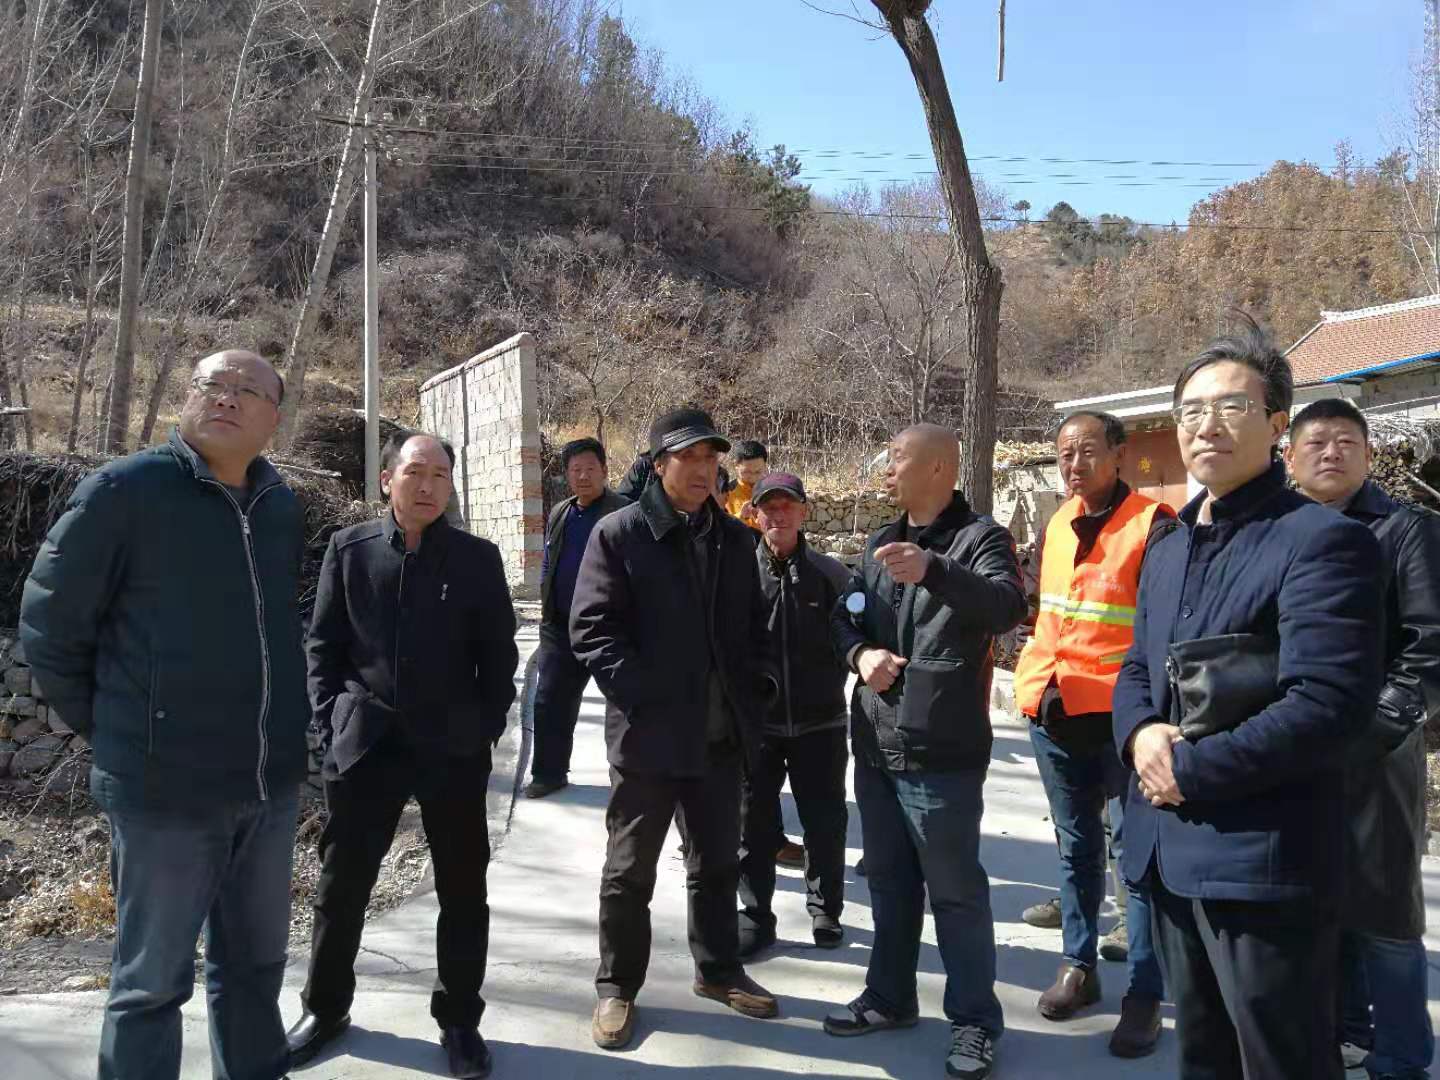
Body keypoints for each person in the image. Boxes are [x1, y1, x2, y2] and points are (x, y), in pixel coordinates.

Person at [20, 350, 306, 1080]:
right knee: (150, 985)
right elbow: (50, 624)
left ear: (274, 419)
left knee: (255, 970)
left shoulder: (279, 508)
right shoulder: (126, 490)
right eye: (213, 385)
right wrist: (125, 731)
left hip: (267, 787)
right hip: (163, 792)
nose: (227, 399)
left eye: (248, 391)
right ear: (188, 397)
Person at [1113, 317, 1383, 1080]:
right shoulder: (1168, 541)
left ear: (1275, 426)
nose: (1207, 425)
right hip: (1168, 851)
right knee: (1203, 1057)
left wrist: (1187, 770)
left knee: (1283, 1060)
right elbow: (1137, 666)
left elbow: (1326, 705)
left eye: (1231, 407)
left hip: (1263, 862)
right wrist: (1140, 736)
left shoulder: (1321, 540)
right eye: (1191, 410)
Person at [287, 431, 518, 1079]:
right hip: (367, 746)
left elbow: (499, 656)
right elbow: (323, 647)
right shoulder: (350, 549)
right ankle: (325, 1007)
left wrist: (482, 729)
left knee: (463, 891)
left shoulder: (477, 559)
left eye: (441, 475)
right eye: (415, 472)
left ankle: (460, 1020)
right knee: (342, 886)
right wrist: (332, 721)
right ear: (387, 479)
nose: (428, 485)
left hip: (452, 751)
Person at [570, 407, 780, 1051]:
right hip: (649, 740)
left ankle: (717, 970)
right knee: (629, 872)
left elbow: (754, 630)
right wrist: (648, 697)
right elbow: (592, 630)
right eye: (687, 457)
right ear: (659, 464)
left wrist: (756, 692)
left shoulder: (736, 540)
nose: (702, 469)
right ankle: (617, 987)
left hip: (719, 739)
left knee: (716, 863)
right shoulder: (620, 533)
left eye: (710, 458)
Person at [825, 423, 1026, 1080]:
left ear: (940, 468)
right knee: (888, 884)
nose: (886, 468)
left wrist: (935, 570)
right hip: (876, 746)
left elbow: (1006, 607)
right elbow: (844, 615)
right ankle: (889, 998)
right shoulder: (881, 541)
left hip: (943, 753)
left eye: (898, 458)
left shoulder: (981, 539)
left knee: (956, 895)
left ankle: (974, 1022)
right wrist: (861, 653)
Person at [1285, 398, 1440, 1080]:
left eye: (1347, 442)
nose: (1331, 452)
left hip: (1375, 754)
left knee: (1385, 915)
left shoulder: (1406, 529)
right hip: (1291, 750)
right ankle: (1345, 1032)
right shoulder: (1277, 529)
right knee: (1318, 904)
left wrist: (1370, 730)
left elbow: (1428, 648)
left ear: (1370, 456)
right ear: (1289, 457)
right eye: (1316, 441)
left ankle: (1401, 1058)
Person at [1012, 411, 1171, 1056]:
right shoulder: (1056, 523)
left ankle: (1145, 993)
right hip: (1052, 707)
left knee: (1135, 858)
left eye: (1086, 452)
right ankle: (1077, 965)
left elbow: (1162, 629)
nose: (1073, 465)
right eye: (1064, 454)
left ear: (1119, 454)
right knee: (1075, 847)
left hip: (1122, 720)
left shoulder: (1154, 525)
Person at [735, 472, 852, 957]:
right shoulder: (739, 575)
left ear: (804, 511)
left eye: (788, 506)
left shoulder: (831, 575)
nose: (779, 515)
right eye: (769, 507)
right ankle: (755, 915)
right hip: (757, 727)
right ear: (755, 514)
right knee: (753, 826)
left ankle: (826, 910)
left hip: (820, 723)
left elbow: (854, 637)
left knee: (824, 824)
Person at [525, 437, 630, 799]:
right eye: (575, 470)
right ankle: (548, 773)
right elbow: (549, 561)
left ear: (604, 470)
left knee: (625, 705)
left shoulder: (625, 513)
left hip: (609, 628)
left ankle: (634, 779)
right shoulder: (561, 512)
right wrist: (546, 602)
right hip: (559, 625)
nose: (583, 476)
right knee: (550, 700)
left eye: (590, 468)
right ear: (567, 475)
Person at [724, 440, 769, 531]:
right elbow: (719, 527)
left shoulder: (772, 491)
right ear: (735, 465)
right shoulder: (725, 493)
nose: (753, 477)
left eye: (758, 472)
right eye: (747, 472)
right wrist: (740, 516)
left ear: (765, 466)